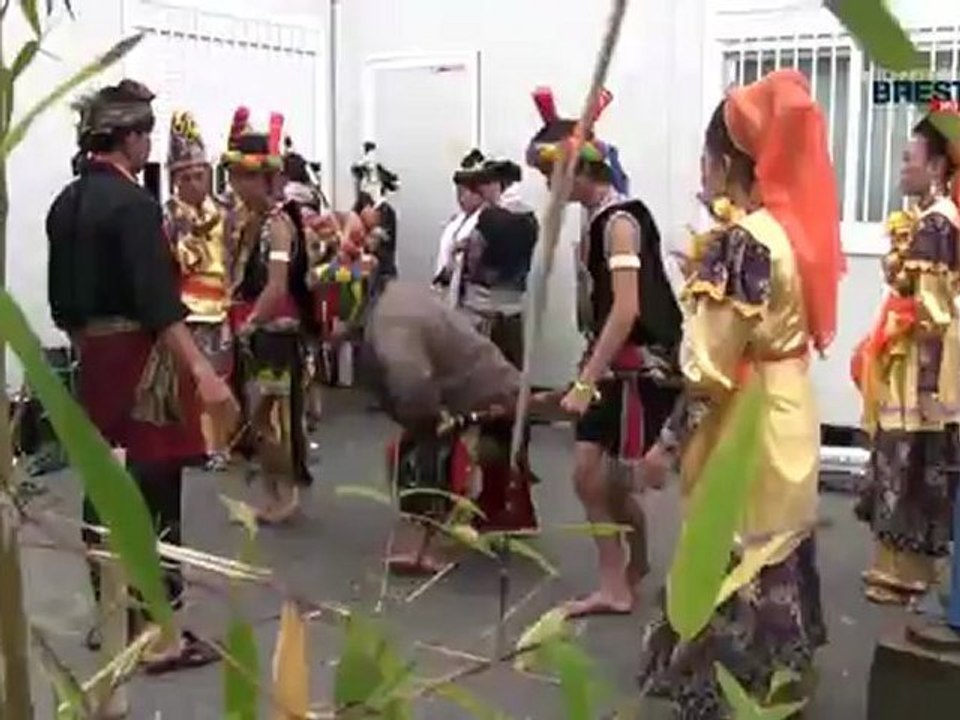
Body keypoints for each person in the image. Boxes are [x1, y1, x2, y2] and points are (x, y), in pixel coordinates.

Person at [636, 70, 840, 717]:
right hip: (789, 400)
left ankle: (729, 690)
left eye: (705, 159)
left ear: (725, 163)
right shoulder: (786, 233)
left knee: (736, 542)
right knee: (776, 543)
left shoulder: (741, 243)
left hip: (746, 415)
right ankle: (781, 682)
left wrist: (668, 441)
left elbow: (709, 365)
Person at [47, 79, 236, 672]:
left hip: (91, 358)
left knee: (104, 483)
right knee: (156, 487)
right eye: (145, 134)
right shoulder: (133, 206)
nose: (149, 144)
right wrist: (203, 370)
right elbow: (159, 305)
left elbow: (62, 305)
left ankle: (112, 619)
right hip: (140, 359)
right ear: (127, 138)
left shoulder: (66, 202)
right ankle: (161, 633)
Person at [526, 86, 683, 617]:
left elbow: (626, 311)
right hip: (609, 364)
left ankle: (626, 572)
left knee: (608, 479)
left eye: (551, 173)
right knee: (590, 476)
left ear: (577, 168)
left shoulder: (620, 223)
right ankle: (620, 578)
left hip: (638, 368)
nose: (547, 184)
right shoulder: (595, 219)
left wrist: (588, 379)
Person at [360, 279, 554, 574]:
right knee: (440, 448)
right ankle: (498, 512)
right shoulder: (397, 301)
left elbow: (413, 386)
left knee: (431, 456)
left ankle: (426, 546)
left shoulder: (392, 323)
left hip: (487, 395)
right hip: (488, 382)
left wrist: (426, 425)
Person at [852, 109, 960, 606]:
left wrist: (928, 385)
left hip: (922, 359)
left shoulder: (937, 224)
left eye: (907, 159)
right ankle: (898, 565)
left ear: (937, 166)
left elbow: (934, 309)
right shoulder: (930, 219)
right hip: (911, 353)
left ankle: (910, 569)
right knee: (906, 458)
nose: (901, 169)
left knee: (913, 459)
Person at [222, 106, 314, 524]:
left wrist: (250, 322)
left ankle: (287, 494)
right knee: (255, 417)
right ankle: (273, 492)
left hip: (274, 332)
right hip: (253, 328)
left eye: (244, 176)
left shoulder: (278, 226)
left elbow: (277, 287)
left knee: (271, 417)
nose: (236, 185)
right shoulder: (250, 222)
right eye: (234, 176)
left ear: (266, 178)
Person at [455, 151, 540, 532]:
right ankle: (515, 500)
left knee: (484, 411)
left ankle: (491, 501)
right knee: (511, 411)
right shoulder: (530, 219)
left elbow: (476, 264)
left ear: (495, 185)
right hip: (514, 319)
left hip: (485, 321)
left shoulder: (490, 219)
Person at [164, 110, 234, 472]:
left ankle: (219, 445)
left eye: (200, 174)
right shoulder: (167, 217)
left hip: (222, 308)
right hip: (185, 312)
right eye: (187, 177)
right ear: (175, 181)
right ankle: (193, 444)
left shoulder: (224, 212)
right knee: (187, 384)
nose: (195, 183)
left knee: (220, 378)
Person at [433, 149, 485, 292]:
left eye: (464, 193)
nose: (460, 198)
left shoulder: (485, 221)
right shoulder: (457, 220)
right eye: (458, 193)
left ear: (479, 194)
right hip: (445, 286)